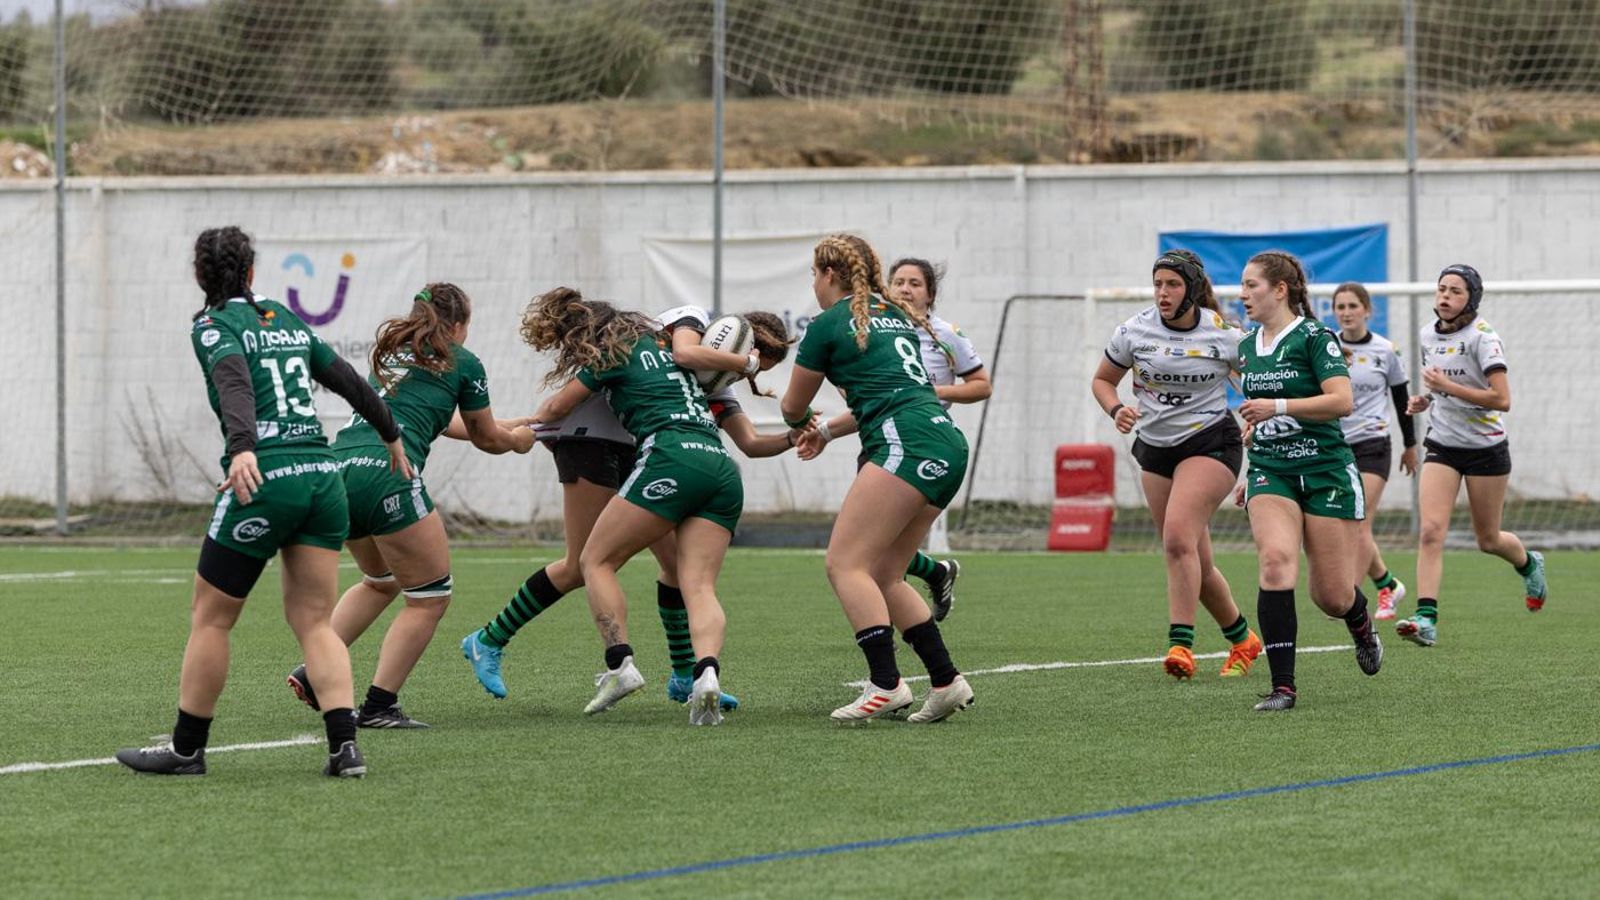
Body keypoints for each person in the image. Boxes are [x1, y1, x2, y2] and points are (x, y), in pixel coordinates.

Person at [115, 226, 409, 777]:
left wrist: (242, 449)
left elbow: (234, 382)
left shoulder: (212, 324)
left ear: (201, 276)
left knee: (212, 617)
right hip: (322, 476)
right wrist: (390, 433)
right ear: (251, 273)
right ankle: (344, 748)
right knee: (316, 623)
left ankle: (185, 751)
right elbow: (346, 378)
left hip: (267, 476)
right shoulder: (284, 317)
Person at [460, 304, 800, 713]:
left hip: (654, 455)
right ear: (730, 342)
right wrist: (509, 430)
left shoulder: (709, 380)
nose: (749, 375)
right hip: (593, 444)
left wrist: (795, 436)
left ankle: (683, 676)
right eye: (753, 364)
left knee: (674, 567)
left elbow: (749, 441)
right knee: (582, 564)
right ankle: (490, 639)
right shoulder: (677, 333)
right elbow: (545, 416)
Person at [284, 284, 535, 729]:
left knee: (380, 581)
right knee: (430, 597)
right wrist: (517, 441)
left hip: (340, 469)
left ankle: (314, 669)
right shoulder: (465, 362)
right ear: (459, 323)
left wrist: (509, 423)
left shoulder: (397, 350)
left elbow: (434, 417)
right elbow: (486, 437)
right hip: (387, 475)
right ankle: (380, 706)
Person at [782, 233, 974, 724]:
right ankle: (947, 680)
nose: (814, 284)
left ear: (828, 275)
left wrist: (801, 424)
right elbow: (887, 392)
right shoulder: (893, 313)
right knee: (887, 571)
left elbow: (791, 405)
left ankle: (886, 684)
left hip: (905, 442)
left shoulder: (827, 325)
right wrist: (827, 430)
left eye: (813, 275)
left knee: (845, 564)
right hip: (944, 440)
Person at [1091, 250, 1261, 680]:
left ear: (1192, 290)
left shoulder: (1224, 335)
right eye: (1158, 284)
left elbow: (1258, 386)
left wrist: (1260, 422)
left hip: (1211, 443)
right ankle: (1243, 639)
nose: (1163, 293)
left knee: (1176, 540)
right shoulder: (1134, 331)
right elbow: (1102, 380)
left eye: (1173, 284)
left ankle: (1180, 644)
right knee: (1195, 563)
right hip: (1155, 448)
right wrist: (1116, 410)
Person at [1234, 250, 1382, 712]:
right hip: (1271, 470)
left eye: (1251, 286)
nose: (1243, 295)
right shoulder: (1245, 347)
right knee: (1276, 561)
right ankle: (1283, 687)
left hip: (1325, 472)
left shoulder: (1316, 337)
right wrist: (1255, 433)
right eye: (1241, 286)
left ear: (1280, 290)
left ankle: (1360, 620)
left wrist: (1276, 407)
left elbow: (1342, 401)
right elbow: (1256, 412)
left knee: (1331, 596)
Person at [798, 257, 984, 621]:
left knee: (862, 552)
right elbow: (873, 402)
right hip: (883, 438)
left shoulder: (945, 334)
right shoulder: (875, 326)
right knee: (875, 548)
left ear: (930, 294)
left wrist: (931, 391)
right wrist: (824, 431)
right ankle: (932, 583)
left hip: (923, 440)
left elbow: (982, 384)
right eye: (898, 281)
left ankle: (887, 656)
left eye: (915, 283)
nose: (905, 289)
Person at [1399, 264, 1546, 647]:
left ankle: (1529, 563)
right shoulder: (1426, 335)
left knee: (1488, 539)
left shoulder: (1484, 338)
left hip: (1486, 450)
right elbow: (1443, 386)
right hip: (1443, 445)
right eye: (1441, 289)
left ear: (1471, 299)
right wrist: (1426, 398)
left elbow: (1502, 399)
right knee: (1431, 531)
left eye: (1455, 291)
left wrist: (1446, 386)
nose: (1445, 297)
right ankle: (1425, 618)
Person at [1332, 282, 1417, 620]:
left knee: (1359, 520)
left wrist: (1411, 446)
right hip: (1336, 446)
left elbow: (1401, 400)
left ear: (1367, 310)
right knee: (1344, 522)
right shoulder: (1327, 347)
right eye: (1340, 307)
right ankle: (1387, 584)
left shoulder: (1385, 350)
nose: (1347, 313)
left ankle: (1350, 597)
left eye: (1353, 306)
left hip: (1373, 444)